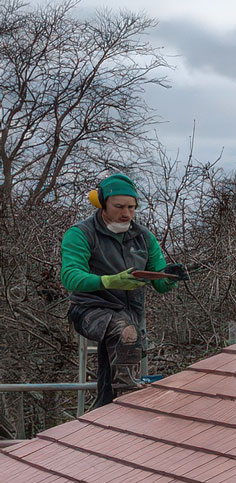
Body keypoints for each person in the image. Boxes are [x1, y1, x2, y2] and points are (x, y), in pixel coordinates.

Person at [59, 172, 182, 407]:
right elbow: (70, 277)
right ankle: (127, 396)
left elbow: (159, 282)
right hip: (89, 310)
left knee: (111, 371)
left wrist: (170, 277)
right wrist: (109, 281)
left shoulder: (144, 238)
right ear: (103, 203)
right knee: (125, 333)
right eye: (119, 206)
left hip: (129, 314)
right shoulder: (81, 234)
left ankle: (105, 408)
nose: (126, 214)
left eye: (132, 207)